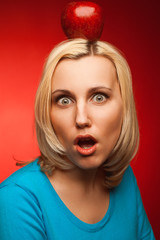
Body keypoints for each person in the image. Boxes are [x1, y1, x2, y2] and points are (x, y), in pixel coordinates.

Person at [0, 39, 155, 239]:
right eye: (64, 100)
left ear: (124, 108)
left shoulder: (124, 178)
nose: (81, 119)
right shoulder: (17, 199)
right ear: (47, 113)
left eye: (99, 97)